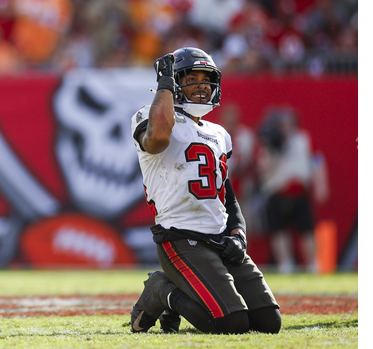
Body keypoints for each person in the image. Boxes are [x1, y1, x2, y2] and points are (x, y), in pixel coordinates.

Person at [128, 47, 281, 334]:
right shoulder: (149, 117)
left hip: (220, 239)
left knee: (269, 322)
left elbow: (227, 194)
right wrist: (164, 87)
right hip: (182, 237)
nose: (201, 85)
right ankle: (162, 291)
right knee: (231, 323)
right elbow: (158, 137)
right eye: (191, 78)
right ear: (174, 83)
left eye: (206, 79)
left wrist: (238, 234)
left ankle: (171, 289)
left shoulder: (219, 134)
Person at [256, 108, 316, 273]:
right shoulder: (268, 143)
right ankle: (285, 263)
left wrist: (319, 183)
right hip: (278, 193)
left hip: (299, 192)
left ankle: (312, 264)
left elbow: (316, 160)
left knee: (306, 230)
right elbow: (262, 169)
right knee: (279, 231)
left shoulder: (302, 139)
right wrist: (272, 149)